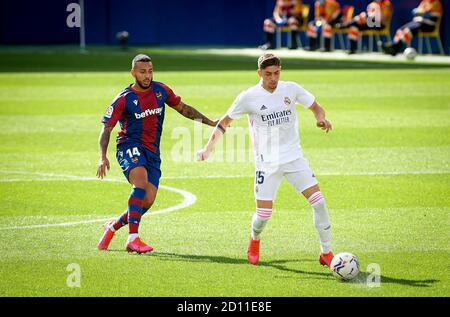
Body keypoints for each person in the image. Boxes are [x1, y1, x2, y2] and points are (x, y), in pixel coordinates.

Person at [197, 53, 335, 267]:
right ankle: (255, 239)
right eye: (268, 74)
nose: (273, 78)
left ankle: (326, 253)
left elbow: (315, 107)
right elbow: (224, 122)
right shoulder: (248, 97)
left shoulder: (291, 89)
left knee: (319, 203)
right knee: (263, 215)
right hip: (266, 164)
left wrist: (320, 118)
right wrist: (208, 148)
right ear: (259, 73)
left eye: (277, 73)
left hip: (294, 158)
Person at [96, 54, 217, 254]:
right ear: (133, 73)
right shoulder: (124, 99)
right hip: (129, 146)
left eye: (150, 71)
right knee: (140, 184)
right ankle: (133, 239)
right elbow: (106, 128)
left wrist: (211, 122)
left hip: (152, 151)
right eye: (142, 72)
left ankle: (112, 227)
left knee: (148, 199)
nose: (147, 76)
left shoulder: (161, 91)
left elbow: (184, 109)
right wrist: (102, 156)